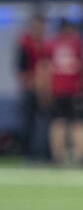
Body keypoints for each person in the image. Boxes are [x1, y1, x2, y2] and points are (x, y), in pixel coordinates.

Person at [45, 19, 83, 166]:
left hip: (58, 90)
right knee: (77, 123)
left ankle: (58, 157)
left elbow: (46, 69)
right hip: (74, 90)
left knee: (59, 122)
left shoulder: (52, 44)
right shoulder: (77, 44)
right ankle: (81, 156)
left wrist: (47, 90)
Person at [15, 12, 48, 158]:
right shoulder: (25, 43)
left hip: (44, 90)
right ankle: (27, 153)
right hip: (29, 88)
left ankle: (43, 153)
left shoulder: (46, 44)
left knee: (44, 123)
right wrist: (31, 82)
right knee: (27, 122)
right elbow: (21, 68)